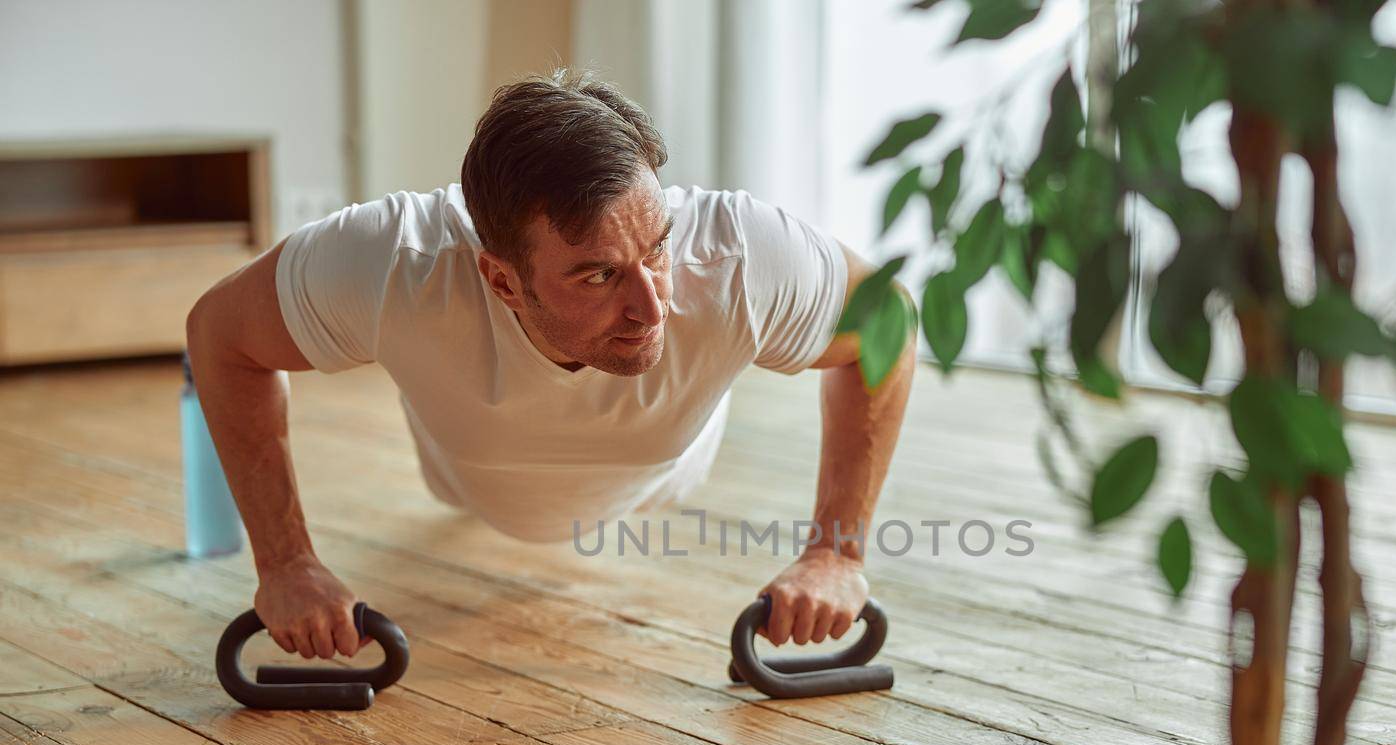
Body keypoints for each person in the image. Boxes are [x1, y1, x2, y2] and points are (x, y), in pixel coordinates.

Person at [185, 67, 916, 665]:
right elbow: (220, 334)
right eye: (597, 276)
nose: (651, 306)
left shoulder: (742, 255)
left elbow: (890, 327)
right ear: (501, 279)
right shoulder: (396, 264)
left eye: (656, 249)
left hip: (665, 474)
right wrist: (285, 564)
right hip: (467, 480)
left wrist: (836, 552)